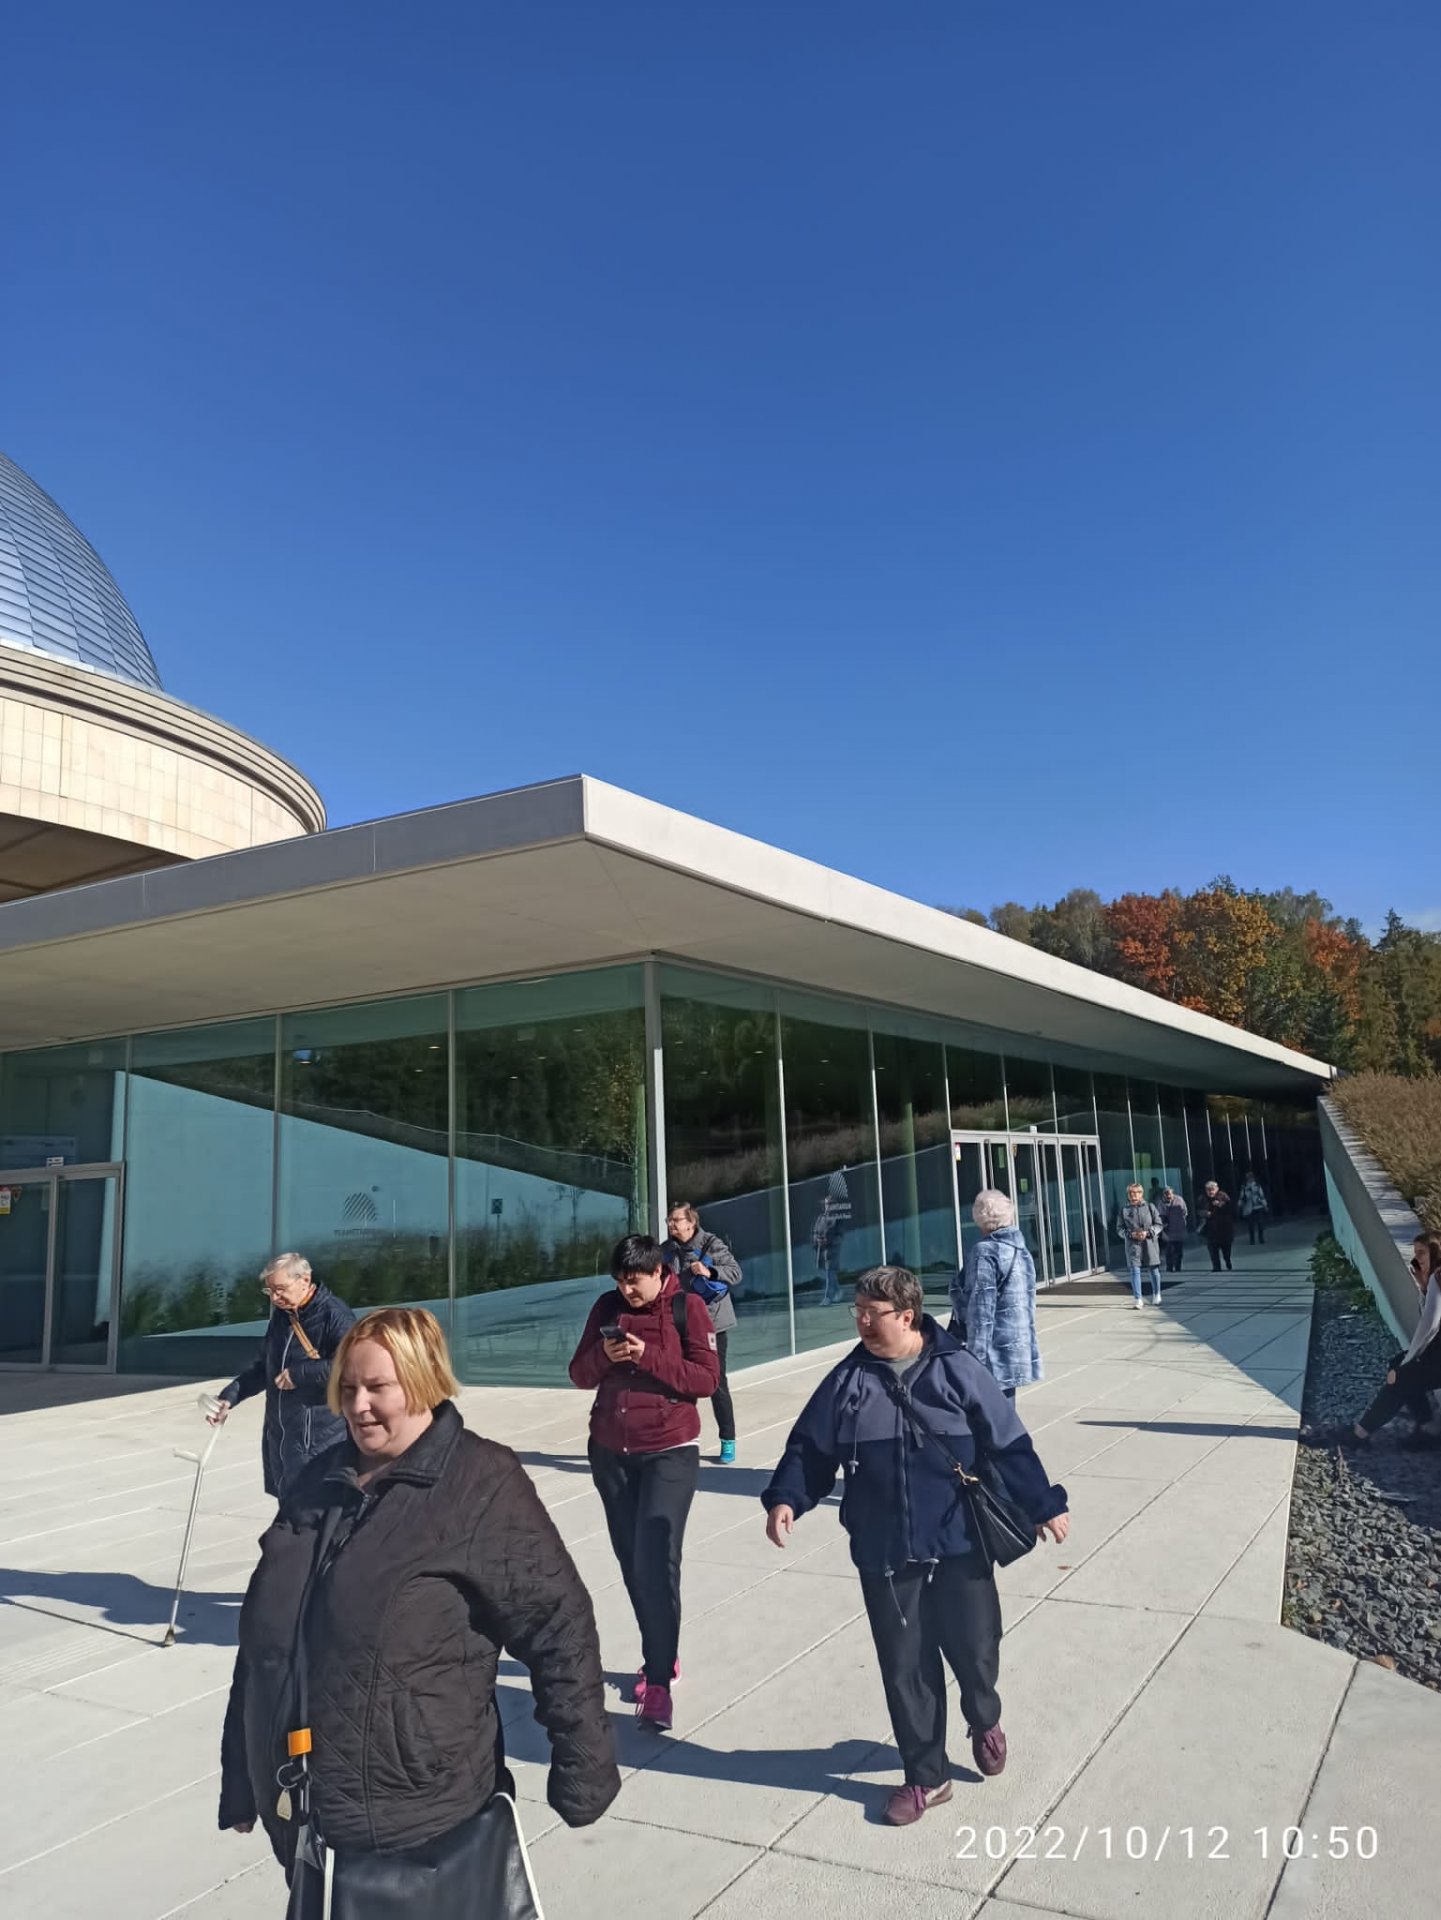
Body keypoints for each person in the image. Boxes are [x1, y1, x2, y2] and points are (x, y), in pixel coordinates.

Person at [219, 1307, 619, 1893]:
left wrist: (584, 1765)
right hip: (308, 1815)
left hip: (424, 1826)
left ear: (423, 1380)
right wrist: (243, 1775)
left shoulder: (481, 1481)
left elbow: (557, 1625)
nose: (357, 1406)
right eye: (347, 1388)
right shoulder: (314, 1483)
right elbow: (264, 1644)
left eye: (377, 1387)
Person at [761, 1266, 1068, 1827]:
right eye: (856, 1310)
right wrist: (787, 1498)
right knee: (905, 1664)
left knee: (976, 1648)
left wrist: (1043, 1503)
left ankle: (984, 1715)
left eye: (871, 1313)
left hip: (959, 1540)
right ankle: (927, 1776)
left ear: (907, 1316)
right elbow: (809, 1449)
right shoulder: (847, 1381)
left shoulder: (958, 1369)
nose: (860, 1321)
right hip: (884, 1546)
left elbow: (1008, 1444)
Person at [570, 1232, 720, 1731]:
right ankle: (662, 1651)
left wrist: (645, 1355)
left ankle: (657, 1684)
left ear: (659, 1272)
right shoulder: (606, 1306)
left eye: (634, 1281)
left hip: (669, 1451)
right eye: (620, 1281)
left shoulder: (687, 1308)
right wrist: (605, 1356)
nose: (626, 1291)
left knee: (657, 1560)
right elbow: (579, 1374)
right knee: (633, 1561)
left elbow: (706, 1380)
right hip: (610, 1452)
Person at [208, 1253, 354, 1499]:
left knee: (312, 1510)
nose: (275, 1298)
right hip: (281, 1437)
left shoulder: (335, 1315)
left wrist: (300, 1374)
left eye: (280, 1289)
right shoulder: (283, 1316)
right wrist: (230, 1396)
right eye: (270, 1291)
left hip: (318, 1440)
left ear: (304, 1280)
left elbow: (351, 1365)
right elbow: (265, 1368)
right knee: (288, 1509)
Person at [1312, 1233, 1441, 1450]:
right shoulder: (1435, 1279)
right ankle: (1428, 1428)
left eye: (1422, 1253)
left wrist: (1408, 1362)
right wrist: (1423, 1287)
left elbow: (1429, 1325)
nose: (1416, 1258)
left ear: (1436, 1252)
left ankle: (1359, 1434)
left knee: (1400, 1375)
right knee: (1396, 1364)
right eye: (1415, 1253)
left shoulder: (1439, 1276)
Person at [663, 1201, 743, 1463]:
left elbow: (736, 1273)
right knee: (675, 1381)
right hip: (680, 1323)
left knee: (716, 1383)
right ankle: (677, 1439)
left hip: (712, 1324)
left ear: (691, 1222)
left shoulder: (711, 1244)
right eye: (669, 1220)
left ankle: (728, 1440)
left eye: (676, 1220)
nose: (671, 1224)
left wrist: (710, 1271)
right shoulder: (667, 1250)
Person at [949, 1189, 1040, 1397]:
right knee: (1005, 1407)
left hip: (994, 1351)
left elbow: (981, 1310)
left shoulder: (986, 1252)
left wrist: (975, 1359)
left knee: (988, 1408)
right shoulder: (1020, 1249)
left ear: (979, 1216)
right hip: (1016, 1345)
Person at [1118, 1183, 1164, 1307]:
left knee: (1153, 1269)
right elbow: (1119, 1229)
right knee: (1134, 1270)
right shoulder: (1124, 1210)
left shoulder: (1150, 1207)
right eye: (1130, 1193)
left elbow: (1159, 1224)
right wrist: (1130, 1234)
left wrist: (1149, 1232)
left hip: (1149, 1243)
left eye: (1135, 1193)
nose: (1133, 1196)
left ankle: (1157, 1294)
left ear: (1141, 1194)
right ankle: (1138, 1299)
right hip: (1133, 1245)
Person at [812, 1169, 852, 1304]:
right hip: (822, 1251)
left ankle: (828, 1297)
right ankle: (838, 1291)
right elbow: (815, 1232)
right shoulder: (821, 1218)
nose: (827, 1206)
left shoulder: (837, 1218)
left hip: (832, 1251)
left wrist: (829, 1241)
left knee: (830, 1273)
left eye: (829, 1204)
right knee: (830, 1274)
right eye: (826, 1204)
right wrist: (817, 1241)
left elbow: (839, 1235)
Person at [1197, 1182, 1236, 1272]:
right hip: (1211, 1229)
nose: (1211, 1192)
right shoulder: (1202, 1198)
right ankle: (1216, 1267)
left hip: (1224, 1228)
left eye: (1212, 1189)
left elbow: (1231, 1209)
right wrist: (1205, 1213)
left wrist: (1220, 1205)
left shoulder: (1223, 1196)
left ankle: (1227, 1260)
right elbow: (1198, 1210)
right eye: (1208, 1190)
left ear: (1217, 1189)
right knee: (1212, 1249)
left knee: (1226, 1249)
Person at [1159, 1188, 1189, 1274]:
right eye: (1166, 1195)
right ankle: (1169, 1267)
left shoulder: (1179, 1200)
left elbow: (1185, 1212)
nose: (1168, 1196)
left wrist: (1182, 1221)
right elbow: (1160, 1216)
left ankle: (1178, 1267)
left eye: (1170, 1194)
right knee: (1169, 1250)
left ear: (1173, 1193)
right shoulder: (1161, 1203)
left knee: (1179, 1250)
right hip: (1168, 1230)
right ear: (1164, 1195)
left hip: (1179, 1228)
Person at [1238, 1169, 1270, 1245]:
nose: (1249, 1179)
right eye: (1248, 1177)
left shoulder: (1257, 1185)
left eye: (1250, 1177)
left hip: (1258, 1206)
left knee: (1260, 1223)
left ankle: (1261, 1238)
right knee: (1250, 1225)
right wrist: (1240, 1204)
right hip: (1249, 1207)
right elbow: (1242, 1196)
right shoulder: (1244, 1186)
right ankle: (1252, 1240)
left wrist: (1265, 1205)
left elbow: (1261, 1196)